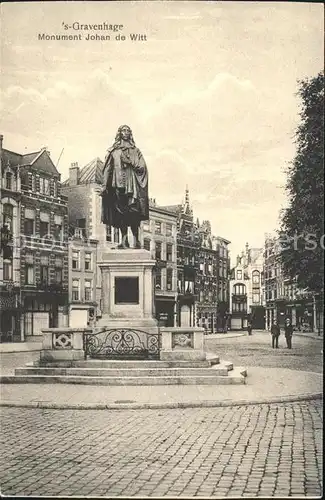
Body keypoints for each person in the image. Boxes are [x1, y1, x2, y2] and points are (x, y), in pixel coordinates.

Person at [101, 125, 149, 249]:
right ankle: (123, 241)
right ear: (120, 133)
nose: (126, 132)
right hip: (118, 185)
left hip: (132, 186)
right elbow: (107, 169)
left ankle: (136, 240)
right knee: (120, 214)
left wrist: (130, 162)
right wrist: (104, 186)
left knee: (133, 213)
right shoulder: (113, 151)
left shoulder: (135, 151)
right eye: (124, 130)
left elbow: (142, 167)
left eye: (128, 130)